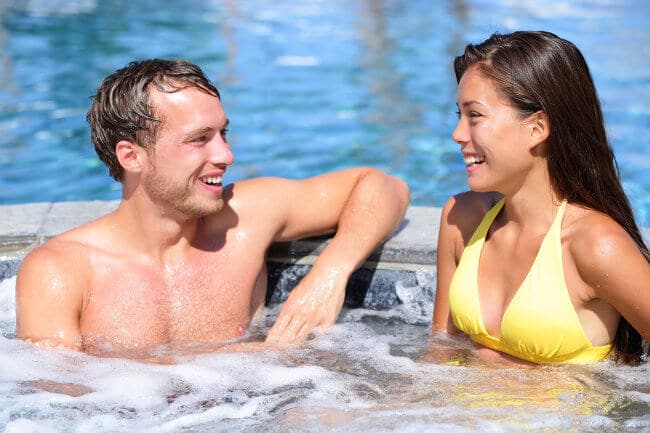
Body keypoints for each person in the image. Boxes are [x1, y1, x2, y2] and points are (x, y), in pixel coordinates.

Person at [15, 59, 409, 355]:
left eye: (223, 133)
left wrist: (330, 275)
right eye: (199, 139)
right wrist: (237, 362)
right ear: (131, 156)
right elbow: (62, 403)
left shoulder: (244, 218)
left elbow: (384, 187)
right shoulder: (60, 271)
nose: (226, 154)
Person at [433, 31, 649, 365]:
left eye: (474, 115)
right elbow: (441, 350)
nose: (458, 134)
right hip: (452, 415)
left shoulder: (594, 245)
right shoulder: (461, 218)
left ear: (537, 128)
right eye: (458, 115)